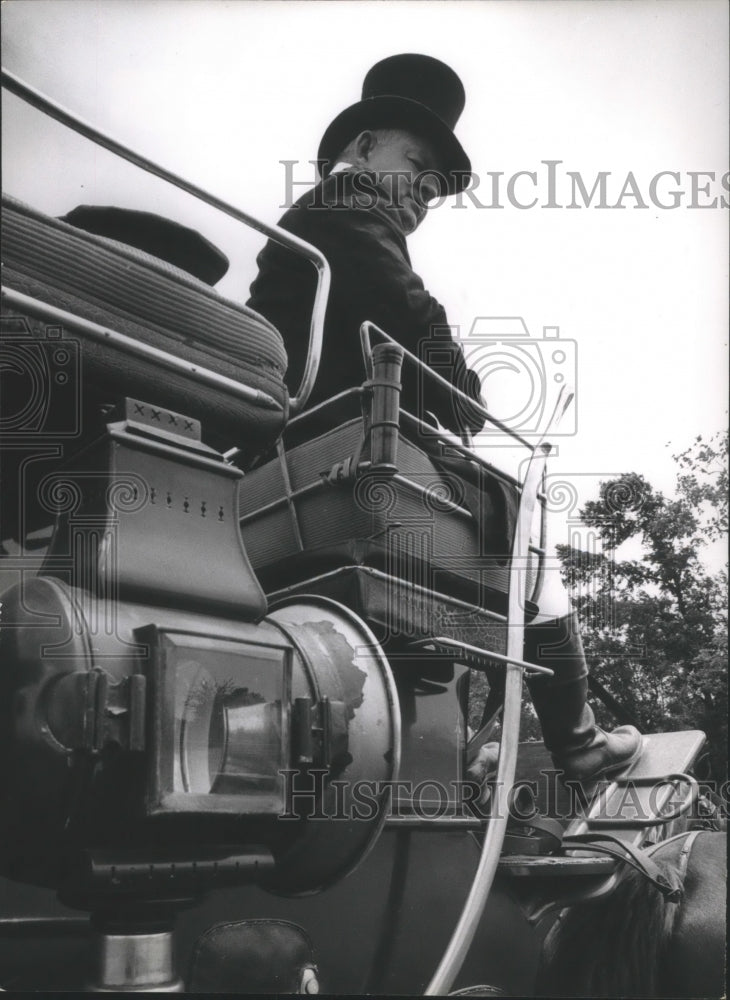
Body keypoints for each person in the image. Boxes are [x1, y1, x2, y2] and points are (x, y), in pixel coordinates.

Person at [248, 53, 641, 785]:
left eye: (437, 187)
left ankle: (463, 746)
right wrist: (463, 390)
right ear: (362, 150)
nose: (426, 195)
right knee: (530, 547)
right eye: (418, 166)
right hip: (330, 457)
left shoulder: (313, 225)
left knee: (506, 534)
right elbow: (413, 318)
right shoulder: (348, 207)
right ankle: (577, 743)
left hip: (302, 454)